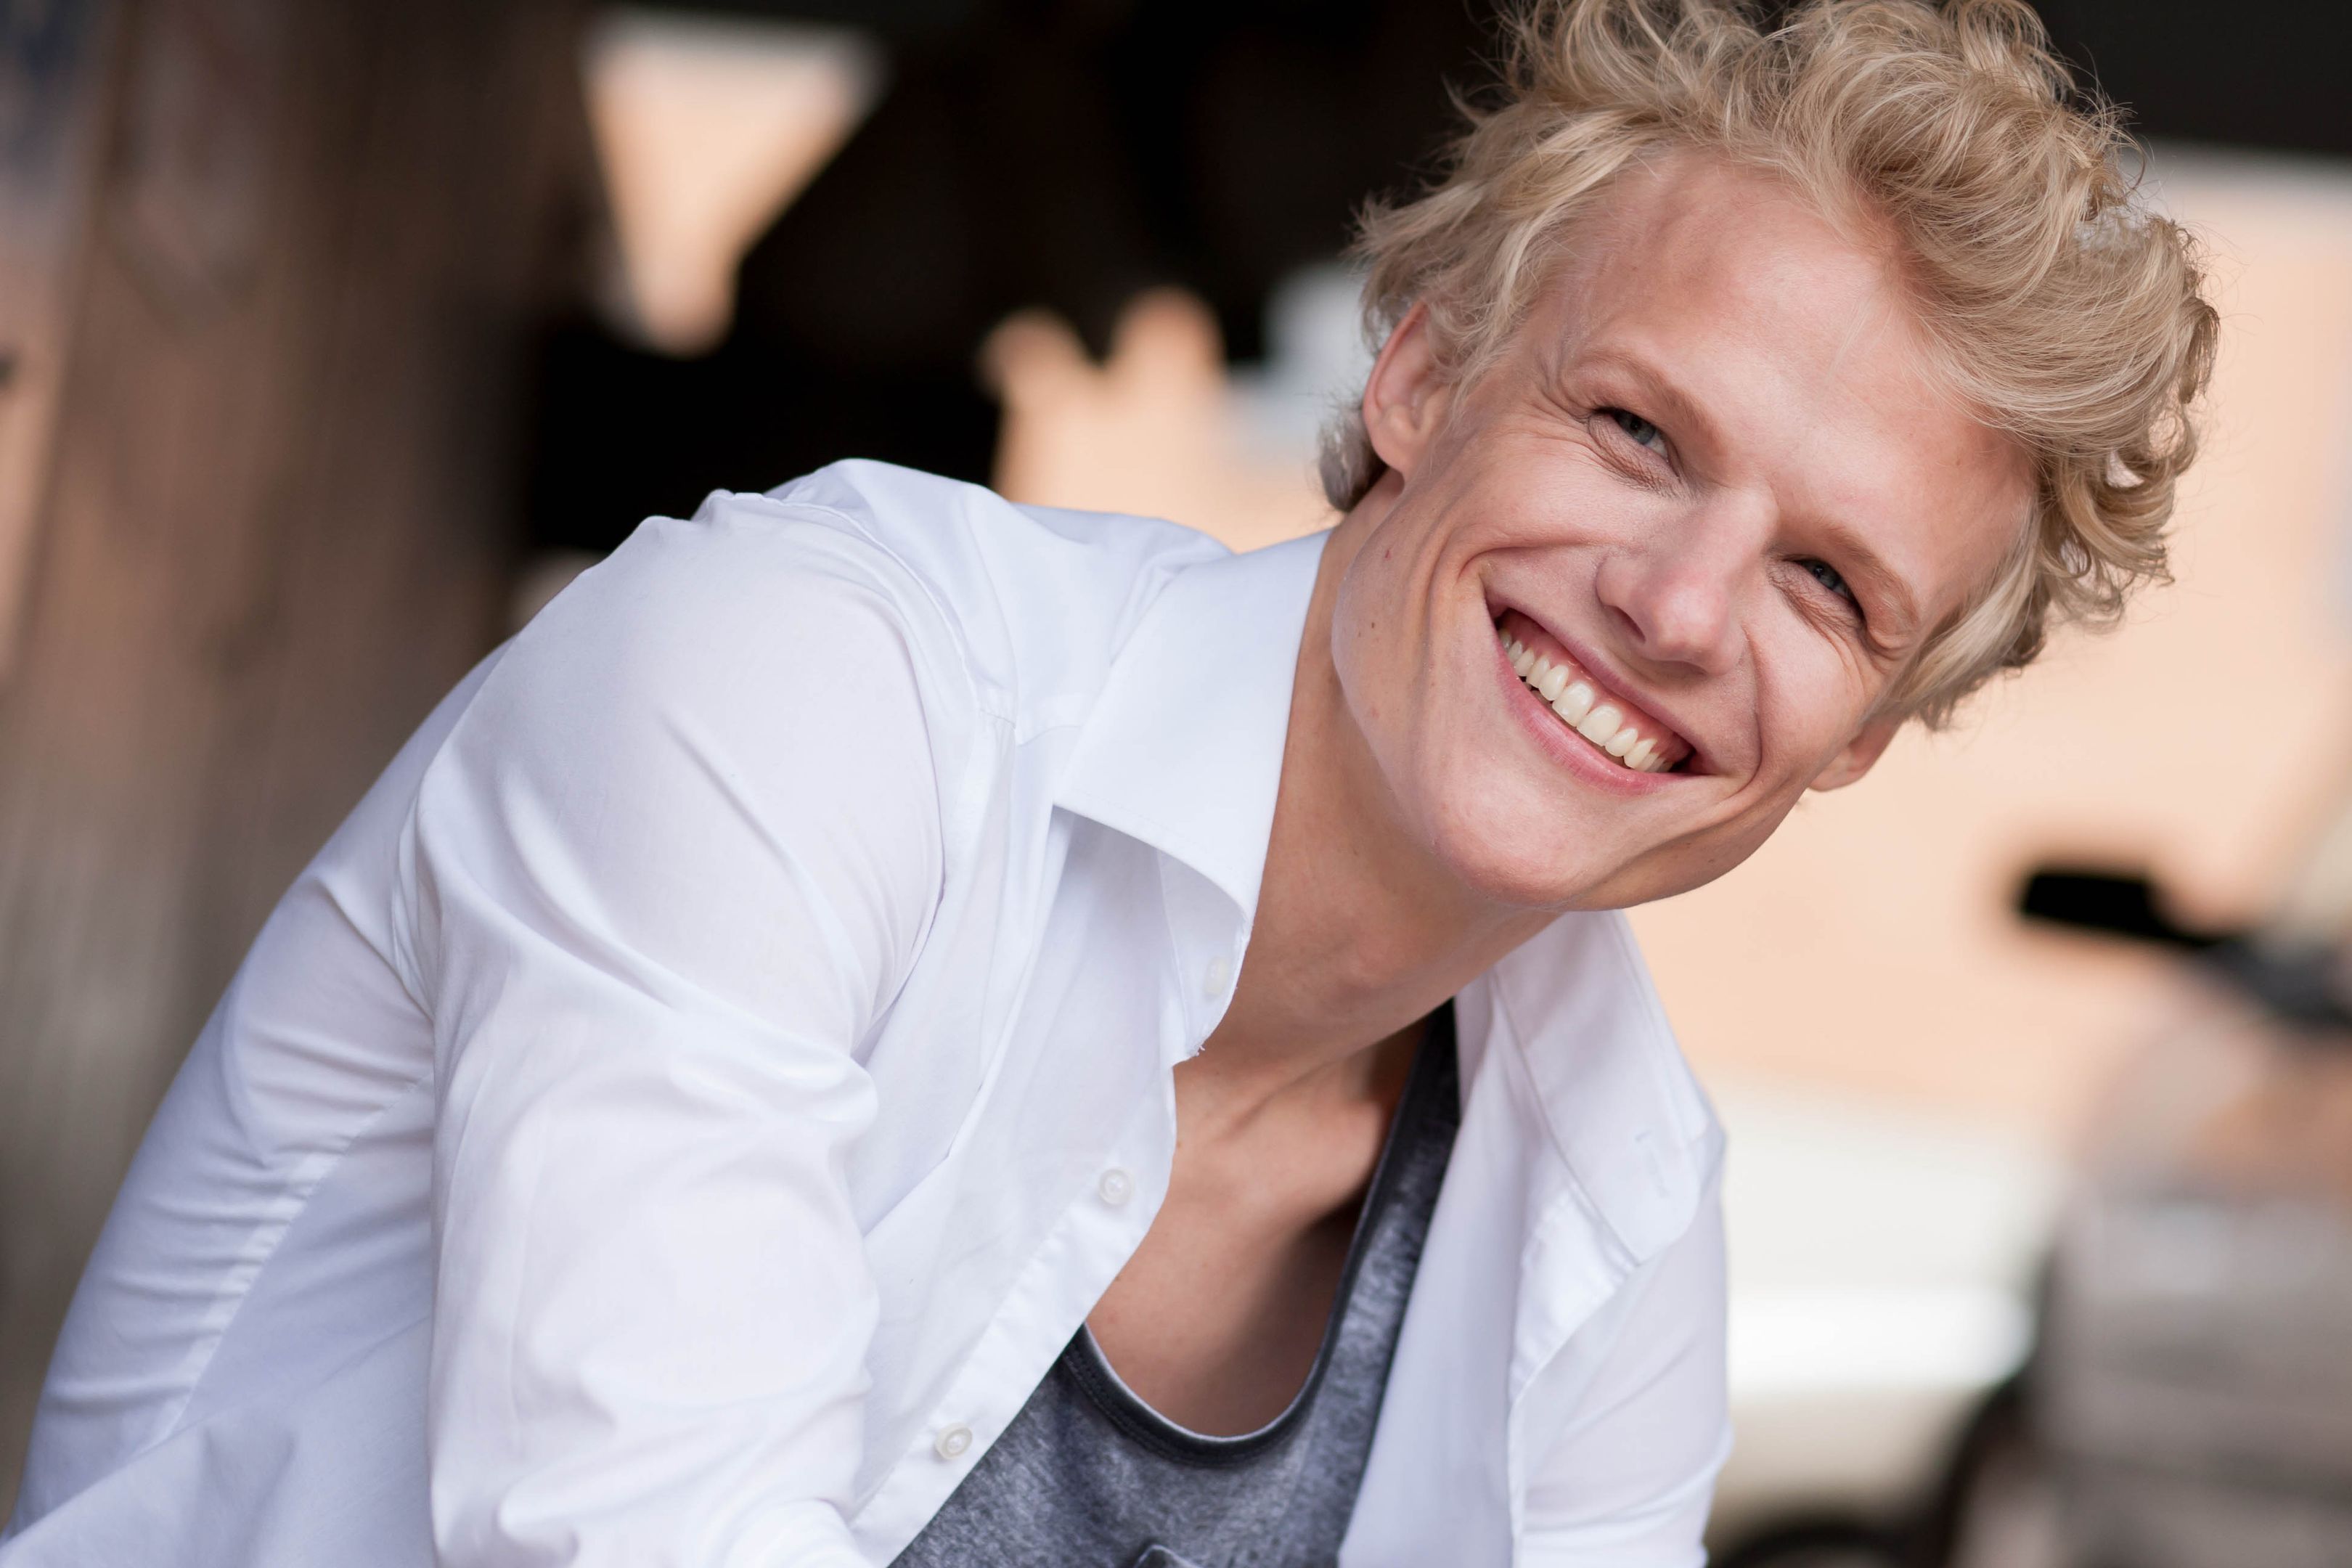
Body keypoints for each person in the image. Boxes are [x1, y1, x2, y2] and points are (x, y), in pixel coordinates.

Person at [1, 1, 2214, 1564]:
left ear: (1864, 734)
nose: (1680, 605)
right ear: (1422, 371)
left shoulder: (1617, 1211)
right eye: (1638, 433)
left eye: (1828, 585)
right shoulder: (820, 686)